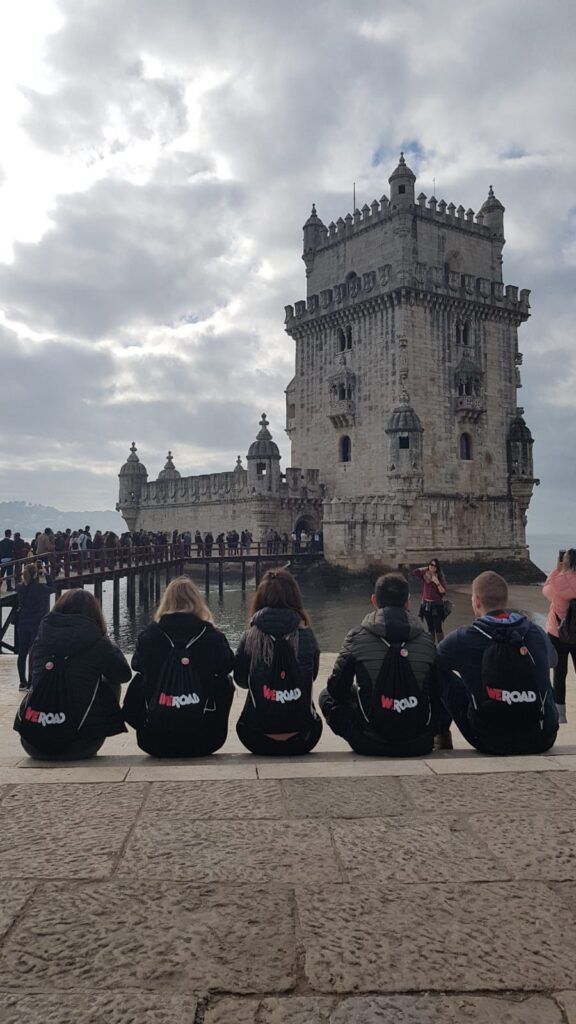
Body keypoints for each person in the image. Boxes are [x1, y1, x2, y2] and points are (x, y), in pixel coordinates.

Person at [320, 573, 446, 756]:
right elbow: (438, 692)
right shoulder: (427, 641)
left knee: (325, 696)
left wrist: (358, 692)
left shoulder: (356, 637)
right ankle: (441, 737)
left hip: (369, 742)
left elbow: (336, 690)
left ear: (373, 600)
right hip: (419, 742)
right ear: (408, 602)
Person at [437, 570, 558, 755]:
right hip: (542, 737)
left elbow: (431, 663)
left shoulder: (462, 638)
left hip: (490, 739)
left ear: (476, 601)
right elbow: (553, 661)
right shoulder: (535, 633)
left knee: (439, 673)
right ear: (506, 601)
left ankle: (441, 734)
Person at [123, 576, 234, 757]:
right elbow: (228, 665)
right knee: (225, 682)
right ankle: (207, 722)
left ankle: (150, 723)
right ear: (197, 601)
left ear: (166, 601)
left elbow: (136, 664)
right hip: (205, 741)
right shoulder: (211, 635)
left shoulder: (150, 634)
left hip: (154, 742)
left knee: (140, 678)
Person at [14, 589, 130, 760]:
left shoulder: (40, 641)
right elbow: (123, 675)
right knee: (110, 682)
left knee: (43, 679)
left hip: (32, 742)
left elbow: (33, 676)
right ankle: (88, 728)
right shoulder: (98, 643)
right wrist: (108, 643)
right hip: (78, 746)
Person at [234, 569, 322, 755]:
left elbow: (241, 681)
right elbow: (311, 677)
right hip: (305, 738)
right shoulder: (306, 635)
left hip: (256, 738)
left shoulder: (250, 636)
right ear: (295, 597)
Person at [543, 549, 576, 723]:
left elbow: (546, 590)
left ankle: (561, 715)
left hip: (558, 633)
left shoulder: (557, 581)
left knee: (559, 673)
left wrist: (557, 570)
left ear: (565, 562)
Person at [16, 562, 56, 690]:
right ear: (35, 574)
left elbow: (25, 585)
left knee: (22, 654)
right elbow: (53, 588)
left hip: (22, 623)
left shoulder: (20, 587)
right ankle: (30, 682)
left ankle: (22, 682)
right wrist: (46, 573)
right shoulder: (40, 588)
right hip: (35, 624)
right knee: (33, 654)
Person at [413, 558, 448, 643]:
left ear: (437, 568)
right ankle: (431, 646)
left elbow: (443, 592)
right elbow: (415, 572)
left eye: (435, 566)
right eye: (431, 565)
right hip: (426, 604)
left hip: (437, 605)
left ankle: (441, 645)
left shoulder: (440, 576)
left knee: (438, 627)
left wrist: (437, 582)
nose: (433, 567)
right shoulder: (425, 575)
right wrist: (427, 568)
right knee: (430, 627)